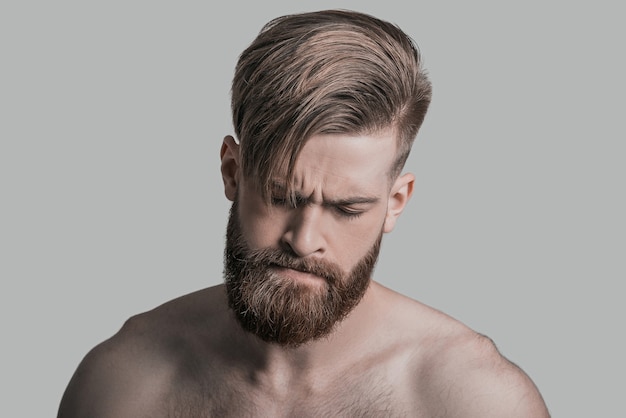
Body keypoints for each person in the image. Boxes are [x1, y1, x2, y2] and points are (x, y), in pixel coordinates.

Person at [58, 9, 550, 417]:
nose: (304, 238)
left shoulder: (474, 400)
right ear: (232, 172)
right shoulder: (123, 386)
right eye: (282, 197)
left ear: (395, 203)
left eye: (347, 208)